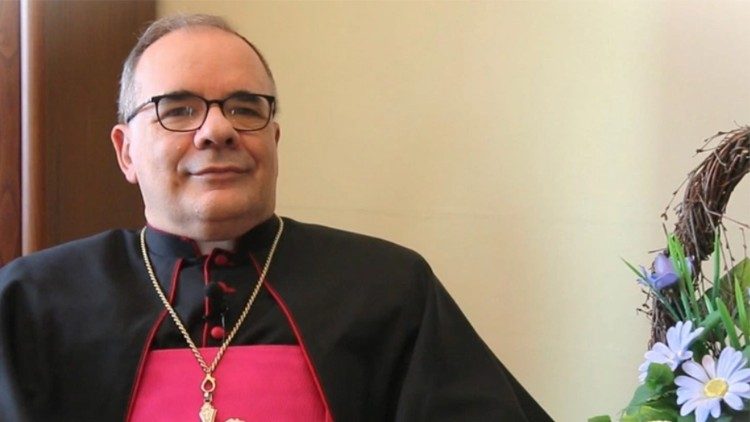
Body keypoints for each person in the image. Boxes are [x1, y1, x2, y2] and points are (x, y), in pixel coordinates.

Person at [0, 14, 551, 422]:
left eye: (245, 108)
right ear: (126, 152)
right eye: (179, 109)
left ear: (274, 139)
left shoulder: (388, 287)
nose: (218, 130)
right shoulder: (34, 301)